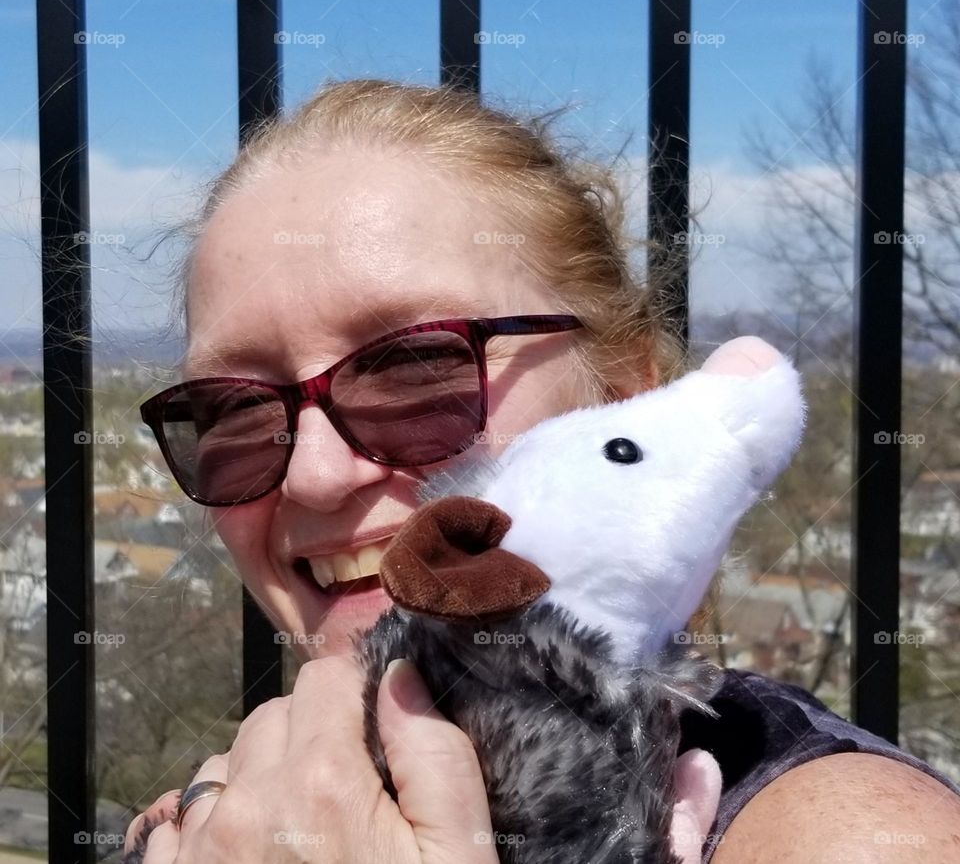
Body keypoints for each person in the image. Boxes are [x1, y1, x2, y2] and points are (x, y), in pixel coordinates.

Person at [123, 79, 960, 864]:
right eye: (232, 407)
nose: (310, 476)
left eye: (416, 366)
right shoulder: (231, 816)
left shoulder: (849, 838)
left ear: (624, 398)